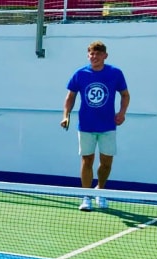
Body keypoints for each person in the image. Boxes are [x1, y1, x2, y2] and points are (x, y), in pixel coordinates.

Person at [61, 40, 130, 212]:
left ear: (105, 56)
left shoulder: (115, 73)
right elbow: (70, 97)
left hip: (108, 126)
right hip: (86, 126)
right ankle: (86, 196)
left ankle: (100, 190)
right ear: (88, 55)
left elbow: (125, 95)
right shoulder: (80, 74)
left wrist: (122, 113)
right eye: (92, 53)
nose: (95, 57)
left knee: (106, 162)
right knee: (87, 160)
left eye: (98, 54)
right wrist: (65, 115)